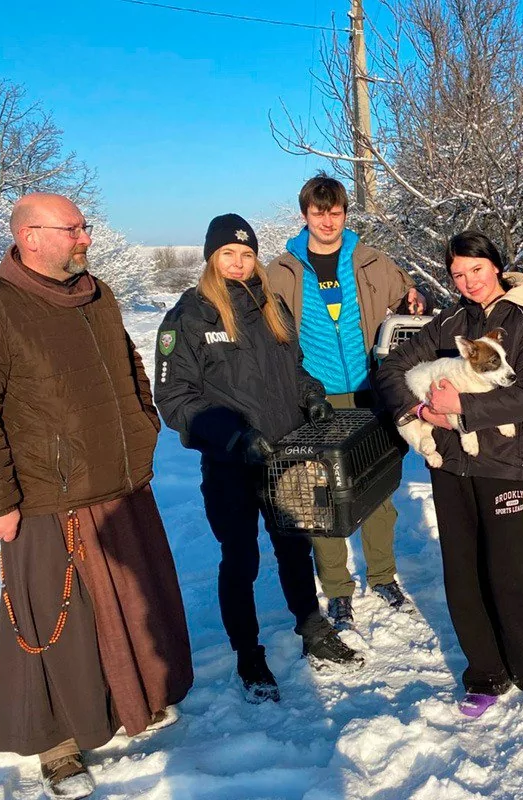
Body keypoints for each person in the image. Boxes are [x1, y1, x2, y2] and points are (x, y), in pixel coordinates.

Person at [0, 193, 193, 799]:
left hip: (120, 484)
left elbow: (131, 365)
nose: (84, 237)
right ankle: (55, 745)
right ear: (30, 236)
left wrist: (143, 429)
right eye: (72, 229)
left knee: (128, 608)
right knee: (50, 621)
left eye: (85, 227)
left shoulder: (98, 294)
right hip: (45, 498)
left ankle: (126, 704)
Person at [155, 214, 361, 705]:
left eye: (246, 254)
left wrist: (311, 395)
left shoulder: (272, 305)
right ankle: (248, 652)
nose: (239, 262)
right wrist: (233, 438)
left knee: (295, 546)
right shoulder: (189, 317)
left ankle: (311, 627)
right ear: (211, 258)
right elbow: (174, 398)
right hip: (232, 463)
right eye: (228, 253)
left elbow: (295, 368)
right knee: (241, 557)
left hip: (287, 453)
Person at [374, 230, 523, 720]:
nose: (468, 282)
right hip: (450, 460)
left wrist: (461, 405)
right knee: (461, 573)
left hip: (506, 460)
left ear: (496, 266)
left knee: (511, 570)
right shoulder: (450, 321)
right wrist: (417, 410)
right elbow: (390, 367)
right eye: (457, 274)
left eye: (476, 270)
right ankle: (485, 672)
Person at [268, 174, 426, 626]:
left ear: (344, 214)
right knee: (321, 497)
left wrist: (417, 297)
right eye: (319, 213)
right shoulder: (281, 271)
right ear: (305, 215)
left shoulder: (373, 261)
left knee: (377, 488)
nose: (328, 221)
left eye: (335, 212)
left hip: (370, 391)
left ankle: (383, 575)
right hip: (313, 399)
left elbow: (408, 299)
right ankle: (337, 588)